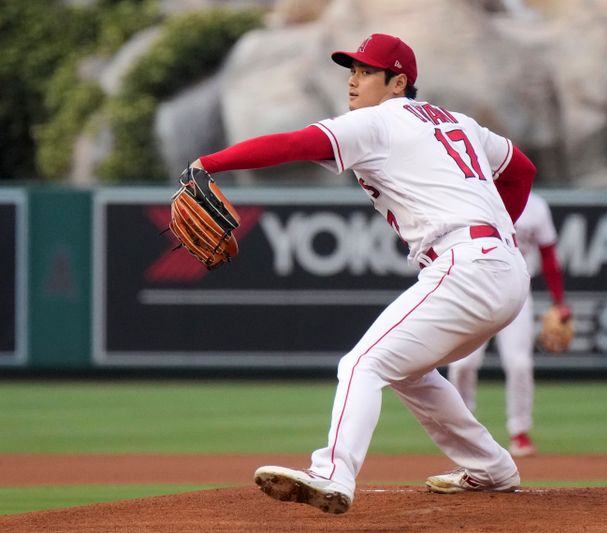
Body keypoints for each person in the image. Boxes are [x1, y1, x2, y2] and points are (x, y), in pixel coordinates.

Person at [189, 33, 536, 514]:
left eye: (367, 72)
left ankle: (332, 473)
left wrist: (210, 163)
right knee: (408, 371)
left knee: (361, 365)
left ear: (398, 82)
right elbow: (521, 170)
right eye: (351, 71)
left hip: (467, 266)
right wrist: (500, 236)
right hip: (503, 270)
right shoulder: (458, 121)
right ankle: (493, 467)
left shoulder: (378, 122)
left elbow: (293, 143)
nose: (353, 81)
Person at [447, 192, 571, 457]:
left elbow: (548, 256)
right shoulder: (473, 195)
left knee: (519, 364)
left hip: (517, 291)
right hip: (474, 289)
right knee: (462, 364)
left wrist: (559, 301)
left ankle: (520, 432)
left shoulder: (536, 205)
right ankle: (461, 433)